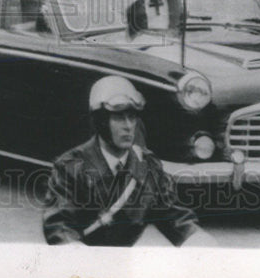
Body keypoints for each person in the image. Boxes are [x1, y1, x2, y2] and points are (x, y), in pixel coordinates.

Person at [42, 76, 209, 247]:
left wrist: (199, 241)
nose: (128, 126)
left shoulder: (148, 167)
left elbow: (175, 217)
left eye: (132, 117)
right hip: (82, 265)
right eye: (119, 118)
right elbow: (59, 227)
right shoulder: (70, 167)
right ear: (101, 121)